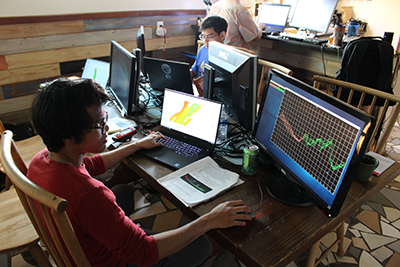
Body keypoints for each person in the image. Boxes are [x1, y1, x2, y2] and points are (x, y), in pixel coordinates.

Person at [28, 78, 253, 267]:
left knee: (122, 192)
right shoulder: (89, 194)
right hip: (113, 261)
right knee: (201, 246)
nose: (106, 128)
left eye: (104, 119)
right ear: (68, 136)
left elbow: (92, 165)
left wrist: (135, 145)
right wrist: (209, 220)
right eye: (98, 125)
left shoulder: (42, 159)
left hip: (79, 238)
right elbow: (143, 253)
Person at [191, 15, 228, 79]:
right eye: (203, 36)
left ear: (222, 35)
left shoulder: (226, 56)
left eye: (210, 37)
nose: (205, 41)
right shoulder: (203, 50)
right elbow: (194, 72)